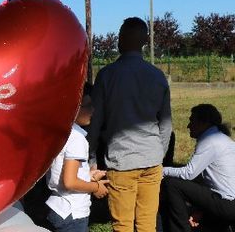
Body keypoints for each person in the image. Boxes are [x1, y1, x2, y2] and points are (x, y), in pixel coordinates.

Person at [88, 17, 172, 232]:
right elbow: (166, 125)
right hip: (152, 159)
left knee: (122, 225)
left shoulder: (107, 75)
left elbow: (95, 120)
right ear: (144, 41)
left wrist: (91, 158)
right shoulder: (157, 76)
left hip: (122, 160)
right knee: (147, 224)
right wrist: (157, 153)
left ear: (121, 39)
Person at [46, 83, 110, 232]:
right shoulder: (77, 138)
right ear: (72, 107)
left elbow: (62, 172)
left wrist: (88, 175)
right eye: (87, 106)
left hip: (59, 207)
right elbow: (70, 182)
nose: (92, 110)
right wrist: (96, 187)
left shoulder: (61, 134)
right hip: (72, 212)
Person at [161, 104, 235, 232]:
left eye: (191, 121)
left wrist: (160, 170)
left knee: (171, 184)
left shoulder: (210, 140)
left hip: (227, 204)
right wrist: (199, 211)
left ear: (204, 123)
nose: (188, 126)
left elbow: (188, 173)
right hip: (228, 202)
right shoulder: (220, 138)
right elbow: (200, 179)